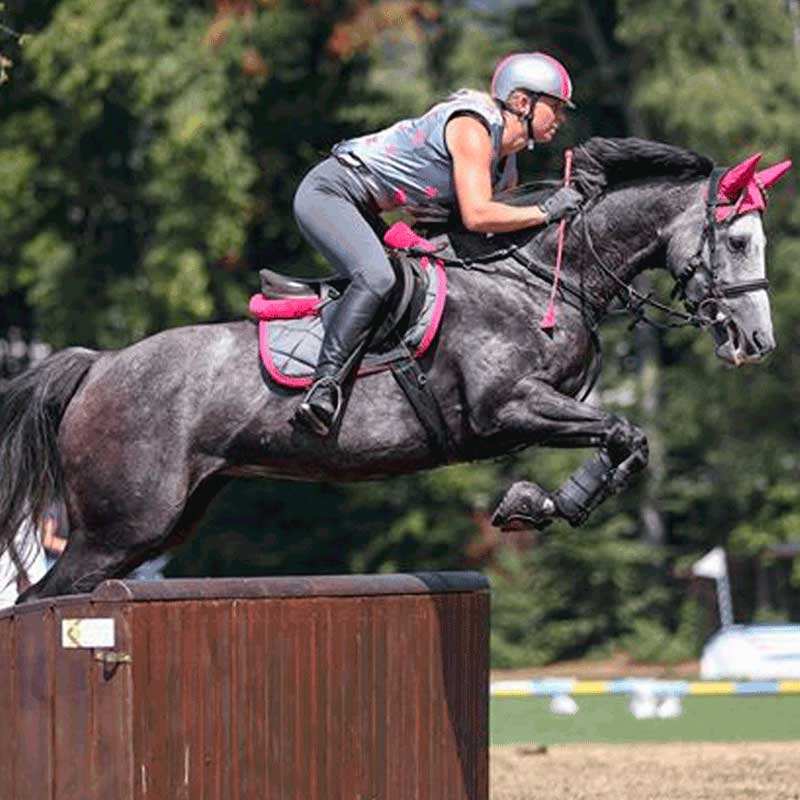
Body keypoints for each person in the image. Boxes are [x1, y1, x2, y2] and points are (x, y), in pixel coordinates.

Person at [292, 51, 583, 436]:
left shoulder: (505, 164)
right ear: (521, 102)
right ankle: (324, 386)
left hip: (367, 210)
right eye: (555, 108)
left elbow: (489, 234)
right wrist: (546, 211)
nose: (560, 119)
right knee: (378, 277)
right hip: (330, 192)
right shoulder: (472, 128)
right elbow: (479, 216)